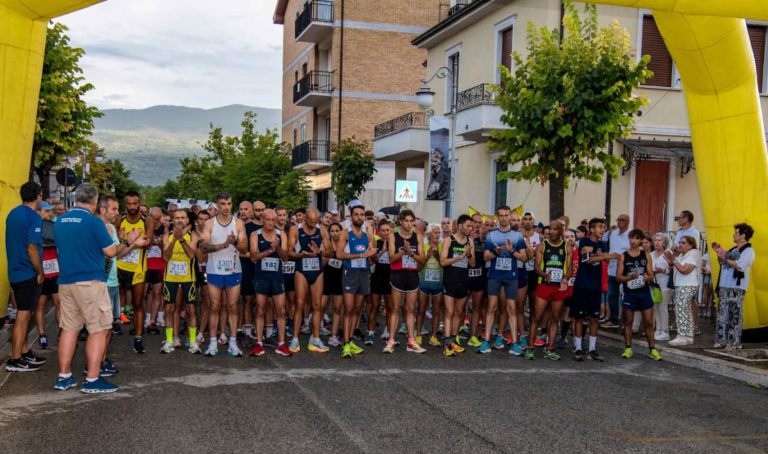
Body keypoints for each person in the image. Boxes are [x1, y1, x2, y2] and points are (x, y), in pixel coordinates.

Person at [54, 184, 119, 393]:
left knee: (69, 329)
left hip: (65, 281)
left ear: (74, 199)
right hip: (90, 281)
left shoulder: (60, 221)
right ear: (94, 202)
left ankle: (64, 377)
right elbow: (110, 251)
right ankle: (92, 379)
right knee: (99, 329)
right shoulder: (94, 222)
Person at [98, 195, 146, 376]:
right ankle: (95, 364)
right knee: (102, 327)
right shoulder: (98, 227)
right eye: (115, 209)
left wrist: (132, 243)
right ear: (103, 210)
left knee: (108, 325)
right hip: (102, 284)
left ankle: (102, 359)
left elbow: (118, 254)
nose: (118, 213)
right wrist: (127, 240)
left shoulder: (110, 227)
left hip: (112, 282)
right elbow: (108, 253)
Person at [199, 192, 248, 357]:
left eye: (228, 203)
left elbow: (244, 248)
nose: (226, 207)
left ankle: (232, 343)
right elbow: (203, 247)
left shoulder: (239, 223)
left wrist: (233, 242)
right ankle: (212, 343)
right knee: (214, 307)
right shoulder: (209, 224)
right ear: (217, 205)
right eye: (222, 204)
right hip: (214, 271)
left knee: (233, 307)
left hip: (233, 271)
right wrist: (222, 245)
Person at [5, 182, 47, 372]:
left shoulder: (13, 213)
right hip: (27, 272)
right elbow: (32, 248)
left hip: (15, 270)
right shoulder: (34, 217)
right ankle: (14, 359)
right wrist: (40, 271)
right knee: (23, 316)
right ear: (38, 196)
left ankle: (23, 352)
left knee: (26, 312)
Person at [478, 206, 528, 354]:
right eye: (501, 215)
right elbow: (486, 256)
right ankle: (486, 341)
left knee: (511, 308)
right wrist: (496, 252)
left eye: (507, 215)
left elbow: (524, 257)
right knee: (491, 307)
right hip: (495, 276)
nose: (504, 218)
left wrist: (511, 250)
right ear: (498, 217)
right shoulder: (492, 235)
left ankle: (514, 343)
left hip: (511, 276)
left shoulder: (517, 235)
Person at [116, 191, 156, 354]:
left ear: (140, 203)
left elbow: (148, 244)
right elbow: (114, 242)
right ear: (124, 204)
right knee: (110, 301)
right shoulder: (119, 219)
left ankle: (138, 339)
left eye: (135, 203)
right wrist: (127, 240)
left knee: (138, 304)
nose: (132, 207)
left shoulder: (148, 220)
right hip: (119, 266)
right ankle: (108, 329)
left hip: (138, 268)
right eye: (129, 204)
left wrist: (131, 241)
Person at [287, 208, 333, 353]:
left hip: (317, 270)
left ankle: (316, 339)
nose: (313, 225)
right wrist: (301, 254)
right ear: (304, 219)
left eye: (315, 222)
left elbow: (330, 251)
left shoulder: (322, 230)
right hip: (301, 269)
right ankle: (295, 339)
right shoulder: (296, 230)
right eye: (310, 222)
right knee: (300, 304)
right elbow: (289, 252)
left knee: (317, 305)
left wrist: (319, 252)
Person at [527, 220, 573, 360]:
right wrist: (544, 275)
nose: (551, 232)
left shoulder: (567, 247)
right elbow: (536, 267)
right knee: (537, 317)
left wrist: (565, 278)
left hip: (558, 287)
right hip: (544, 285)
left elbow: (569, 268)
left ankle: (550, 348)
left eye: (555, 229)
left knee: (554, 317)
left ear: (561, 231)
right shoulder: (542, 245)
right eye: (550, 229)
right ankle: (530, 347)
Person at [249, 209, 292, 357]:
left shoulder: (282, 235)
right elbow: (253, 257)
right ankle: (259, 343)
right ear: (262, 219)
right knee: (260, 309)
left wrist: (278, 247)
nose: (271, 222)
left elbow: (286, 257)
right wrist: (269, 250)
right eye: (268, 219)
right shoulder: (255, 235)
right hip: (261, 276)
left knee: (281, 310)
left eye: (273, 220)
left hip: (277, 277)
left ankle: (281, 343)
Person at [616, 229, 663, 360]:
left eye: (637, 239)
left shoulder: (646, 255)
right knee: (628, 321)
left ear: (641, 240)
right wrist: (630, 277)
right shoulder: (623, 256)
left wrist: (648, 278)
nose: (634, 241)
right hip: (630, 293)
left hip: (644, 293)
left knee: (648, 322)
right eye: (632, 238)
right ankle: (628, 348)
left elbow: (651, 274)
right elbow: (618, 278)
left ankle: (652, 349)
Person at [336, 205, 377, 358]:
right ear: (351, 216)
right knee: (348, 309)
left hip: (364, 273)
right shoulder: (345, 233)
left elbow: (373, 258)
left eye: (362, 215)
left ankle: (351, 339)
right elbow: (339, 254)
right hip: (350, 273)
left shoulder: (369, 235)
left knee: (357, 309)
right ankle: (345, 343)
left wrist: (374, 255)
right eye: (356, 214)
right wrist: (361, 255)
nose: (359, 217)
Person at [160, 209, 201, 354]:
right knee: (169, 309)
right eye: (176, 218)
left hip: (188, 278)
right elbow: (165, 257)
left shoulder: (193, 235)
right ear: (173, 219)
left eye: (182, 218)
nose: (179, 220)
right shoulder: (167, 235)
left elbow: (191, 255)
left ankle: (193, 342)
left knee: (191, 310)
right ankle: (169, 341)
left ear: (187, 220)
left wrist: (181, 240)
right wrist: (174, 241)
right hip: (170, 277)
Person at [387, 209, 426, 353]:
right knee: (395, 308)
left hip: (412, 275)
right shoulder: (393, 236)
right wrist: (404, 251)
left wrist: (411, 253)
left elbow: (422, 259)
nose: (409, 224)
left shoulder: (418, 237)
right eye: (406, 221)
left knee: (410, 309)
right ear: (401, 222)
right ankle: (391, 340)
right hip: (397, 274)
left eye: (411, 221)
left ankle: (411, 341)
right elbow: (391, 258)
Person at [571, 218, 609, 361]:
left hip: (596, 286)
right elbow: (587, 260)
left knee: (594, 318)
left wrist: (597, 252)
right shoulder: (584, 241)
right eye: (600, 227)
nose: (603, 230)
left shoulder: (602, 244)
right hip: (582, 285)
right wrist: (601, 255)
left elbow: (607, 260)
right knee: (579, 317)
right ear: (592, 229)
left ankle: (592, 349)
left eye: (604, 227)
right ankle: (579, 347)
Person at [713, 223, 755, 350]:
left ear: (742, 236)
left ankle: (734, 341)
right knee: (722, 314)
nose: (733, 234)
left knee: (734, 314)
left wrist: (724, 258)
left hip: (737, 287)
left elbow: (739, 265)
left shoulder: (748, 250)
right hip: (725, 285)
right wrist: (719, 253)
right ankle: (721, 340)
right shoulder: (733, 249)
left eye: (736, 233)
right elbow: (723, 263)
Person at [440, 214, 475, 356]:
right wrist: (460, 257)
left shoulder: (470, 241)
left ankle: (454, 340)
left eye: (471, 226)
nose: (470, 228)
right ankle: (447, 342)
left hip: (463, 279)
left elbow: (473, 264)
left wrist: (469, 255)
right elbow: (443, 262)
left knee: (459, 312)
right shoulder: (448, 240)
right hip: (450, 279)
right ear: (460, 226)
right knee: (449, 311)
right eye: (468, 226)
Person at [664, 235, 701, 346]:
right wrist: (671, 260)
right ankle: (688, 335)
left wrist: (674, 261)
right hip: (682, 285)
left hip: (687, 285)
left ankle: (682, 335)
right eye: (680, 242)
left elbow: (685, 270)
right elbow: (675, 266)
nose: (680, 244)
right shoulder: (682, 255)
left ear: (690, 245)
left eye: (683, 243)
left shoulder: (693, 254)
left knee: (680, 310)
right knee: (685, 310)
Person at [35, 201, 59, 349]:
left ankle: (61, 334)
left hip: (55, 271)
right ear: (38, 212)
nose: (50, 214)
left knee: (59, 303)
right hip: (41, 271)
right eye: (46, 211)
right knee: (41, 305)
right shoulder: (34, 227)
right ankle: (42, 336)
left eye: (50, 212)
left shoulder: (53, 226)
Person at [602, 214, 630, 329]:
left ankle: (626, 321)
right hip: (613, 268)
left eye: (622, 220)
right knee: (612, 296)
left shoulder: (631, 234)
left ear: (628, 222)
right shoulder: (613, 234)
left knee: (626, 296)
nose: (619, 222)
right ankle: (613, 320)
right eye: (617, 220)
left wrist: (621, 256)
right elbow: (611, 249)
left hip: (625, 270)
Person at [419, 225, 444, 348]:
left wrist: (438, 256)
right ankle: (418, 334)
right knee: (421, 309)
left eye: (439, 233)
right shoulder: (422, 247)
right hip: (423, 282)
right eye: (435, 233)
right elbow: (418, 267)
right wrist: (428, 256)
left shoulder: (443, 247)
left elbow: (445, 265)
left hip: (438, 283)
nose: (437, 235)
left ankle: (433, 336)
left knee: (436, 310)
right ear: (429, 234)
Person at [368, 221, 392, 345]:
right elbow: (371, 262)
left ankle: (388, 332)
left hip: (390, 278)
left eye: (387, 230)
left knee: (390, 307)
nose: (386, 233)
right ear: (379, 231)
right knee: (374, 307)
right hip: (377, 277)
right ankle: (370, 333)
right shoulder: (376, 243)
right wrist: (381, 251)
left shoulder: (394, 243)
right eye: (383, 230)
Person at [238, 201, 258, 344]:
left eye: (246, 209)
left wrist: (253, 255)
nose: (243, 212)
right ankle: (244, 331)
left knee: (257, 301)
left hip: (254, 268)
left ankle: (257, 329)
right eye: (241, 209)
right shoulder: (235, 226)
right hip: (240, 267)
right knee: (244, 301)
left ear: (251, 212)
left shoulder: (257, 228)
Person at [467, 214, 488, 348]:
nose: (477, 224)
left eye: (479, 222)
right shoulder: (464, 237)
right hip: (464, 274)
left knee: (477, 306)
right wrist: (471, 238)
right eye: (474, 222)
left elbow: (488, 255)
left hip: (479, 274)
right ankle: (454, 334)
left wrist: (481, 239)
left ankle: (473, 336)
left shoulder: (485, 238)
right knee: (459, 308)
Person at [144, 207, 166, 334]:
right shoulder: (145, 227)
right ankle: (145, 318)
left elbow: (168, 247)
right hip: (145, 265)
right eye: (153, 218)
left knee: (157, 293)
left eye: (158, 218)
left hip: (159, 265)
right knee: (143, 294)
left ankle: (153, 320)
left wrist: (162, 243)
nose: (156, 221)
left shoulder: (165, 229)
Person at [324, 223, 345, 347]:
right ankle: (315, 333)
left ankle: (333, 335)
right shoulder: (326, 245)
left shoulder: (344, 246)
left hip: (340, 279)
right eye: (332, 231)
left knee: (337, 308)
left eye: (337, 230)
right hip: (326, 278)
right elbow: (322, 263)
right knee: (321, 307)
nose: (335, 233)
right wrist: (329, 252)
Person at [651, 233, 672, 341]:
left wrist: (663, 270)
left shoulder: (668, 253)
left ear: (664, 243)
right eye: (655, 240)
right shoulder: (651, 254)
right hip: (654, 285)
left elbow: (672, 269)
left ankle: (665, 331)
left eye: (659, 240)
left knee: (662, 307)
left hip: (665, 285)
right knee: (655, 307)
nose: (657, 242)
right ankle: (658, 330)